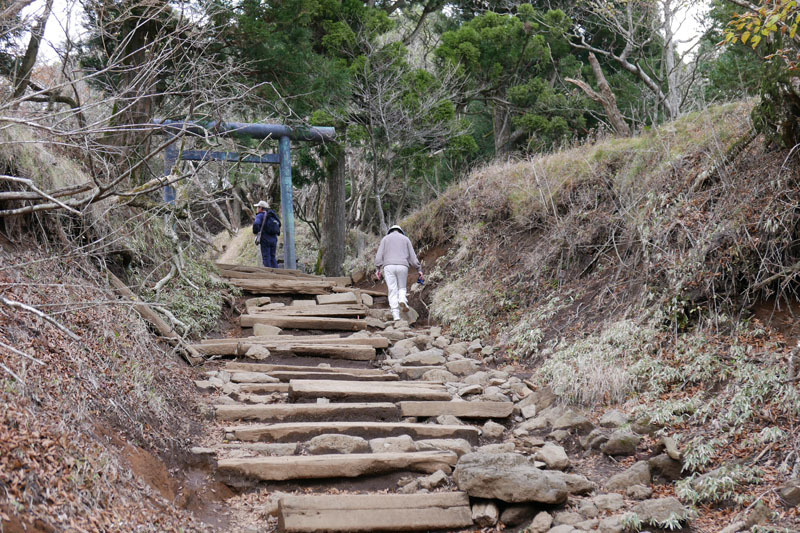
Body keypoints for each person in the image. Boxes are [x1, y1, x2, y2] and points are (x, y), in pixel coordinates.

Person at [375, 225, 423, 321]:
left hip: (388, 266)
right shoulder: (406, 239)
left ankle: (396, 315)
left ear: (390, 231)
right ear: (400, 231)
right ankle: (402, 300)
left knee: (392, 290)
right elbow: (412, 256)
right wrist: (419, 269)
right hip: (402, 266)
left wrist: (378, 268)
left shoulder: (385, 239)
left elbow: (379, 256)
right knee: (402, 287)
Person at [252, 200, 281, 268]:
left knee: (266, 257)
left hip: (265, 239)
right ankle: (277, 274)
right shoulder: (272, 216)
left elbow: (256, 224)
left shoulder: (260, 215)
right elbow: (279, 224)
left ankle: (269, 275)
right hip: (274, 239)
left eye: (258, 207)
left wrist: (256, 231)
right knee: (273, 257)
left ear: (261, 208)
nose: (257, 209)